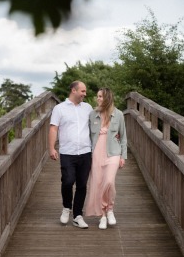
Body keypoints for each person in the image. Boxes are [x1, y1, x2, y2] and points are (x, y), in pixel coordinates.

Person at [49, 81, 93, 229]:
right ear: (74, 90)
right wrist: (51, 148)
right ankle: (66, 207)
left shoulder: (88, 108)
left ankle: (77, 215)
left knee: (82, 185)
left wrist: (114, 133)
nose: (85, 94)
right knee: (67, 181)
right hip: (67, 152)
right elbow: (54, 129)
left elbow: (97, 125)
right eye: (82, 91)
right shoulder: (59, 109)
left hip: (86, 152)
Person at [84, 87, 127, 229]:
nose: (98, 99)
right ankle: (102, 215)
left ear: (107, 98)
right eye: (98, 96)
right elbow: (86, 134)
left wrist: (123, 156)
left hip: (113, 151)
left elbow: (124, 137)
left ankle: (110, 209)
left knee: (109, 181)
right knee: (97, 183)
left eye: (101, 96)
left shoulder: (119, 114)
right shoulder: (92, 114)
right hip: (96, 152)